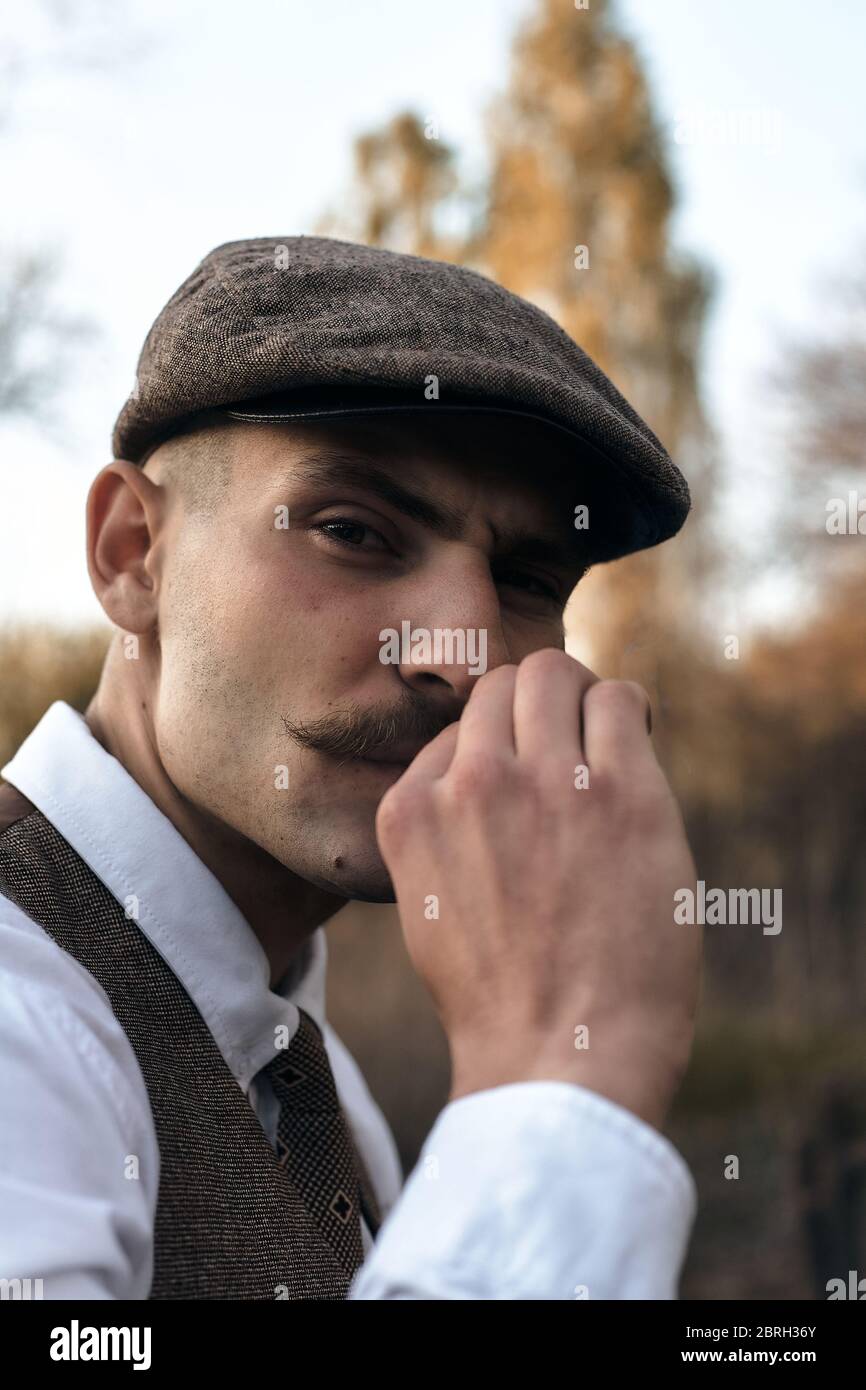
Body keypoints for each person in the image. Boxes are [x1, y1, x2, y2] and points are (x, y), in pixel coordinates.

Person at [0, 236, 701, 1300]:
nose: (458, 657)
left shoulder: (312, 1084)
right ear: (131, 553)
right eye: (352, 531)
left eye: (523, 578)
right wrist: (551, 1096)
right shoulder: (23, 1010)